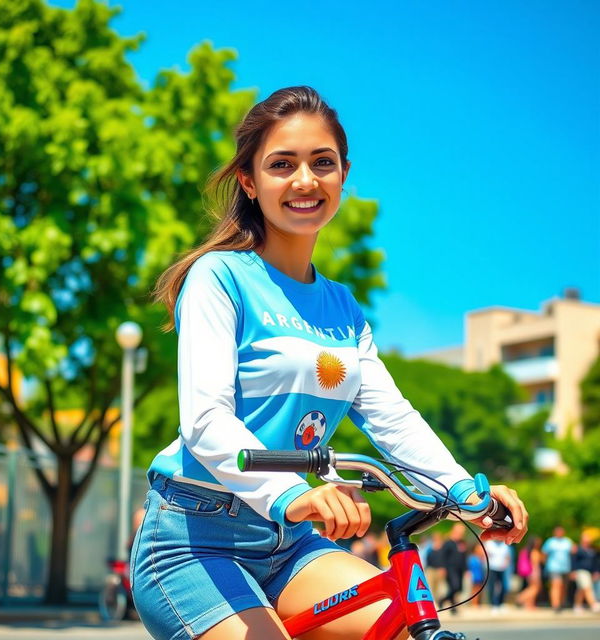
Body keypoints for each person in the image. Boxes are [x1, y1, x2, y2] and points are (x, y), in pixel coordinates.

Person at [129, 86, 529, 640]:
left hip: (291, 546)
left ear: (343, 174)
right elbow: (205, 423)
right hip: (194, 538)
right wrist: (295, 492)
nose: (304, 180)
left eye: (322, 163)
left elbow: (392, 416)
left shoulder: (342, 305)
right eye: (281, 164)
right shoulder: (219, 277)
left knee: (399, 625)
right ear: (249, 180)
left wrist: (465, 493)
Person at [542, 526, 574, 612]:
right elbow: (544, 554)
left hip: (565, 568)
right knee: (556, 585)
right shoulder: (550, 542)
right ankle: (555, 605)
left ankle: (562, 603)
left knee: (564, 587)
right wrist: (546, 565)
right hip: (554, 567)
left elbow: (573, 553)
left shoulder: (567, 541)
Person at [439, 524, 468, 614]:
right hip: (450, 569)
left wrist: (466, 569)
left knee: (459, 588)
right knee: (454, 587)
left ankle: (453, 607)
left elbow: (464, 557)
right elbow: (442, 556)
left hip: (460, 569)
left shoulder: (462, 543)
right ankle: (443, 600)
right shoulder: (448, 542)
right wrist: (442, 568)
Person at [571, 531, 600, 613]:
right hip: (580, 571)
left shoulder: (592, 550)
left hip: (589, 572)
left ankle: (577, 605)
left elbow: (595, 562)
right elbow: (573, 560)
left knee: (581, 589)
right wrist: (573, 571)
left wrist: (596, 571)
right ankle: (593, 604)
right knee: (587, 587)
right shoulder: (577, 549)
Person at [515, 536, 543, 609]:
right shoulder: (535, 552)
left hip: (529, 572)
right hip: (534, 572)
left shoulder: (526, 550)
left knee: (531, 587)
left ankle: (530, 605)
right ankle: (520, 597)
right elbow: (536, 564)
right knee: (535, 588)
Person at [484, 539, 512, 611]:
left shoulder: (505, 544)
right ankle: (493, 604)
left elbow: (508, 556)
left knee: (503, 586)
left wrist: (506, 564)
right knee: (492, 586)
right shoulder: (489, 543)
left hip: (502, 568)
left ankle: (500, 603)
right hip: (492, 568)